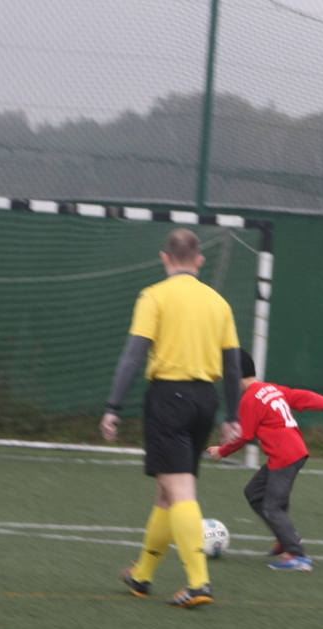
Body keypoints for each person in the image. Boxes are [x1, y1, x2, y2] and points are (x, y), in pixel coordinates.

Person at [101, 228, 243, 609]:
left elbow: (134, 356)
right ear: (199, 260)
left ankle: (199, 584)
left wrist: (113, 407)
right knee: (166, 493)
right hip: (205, 401)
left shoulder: (154, 296)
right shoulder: (219, 303)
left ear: (165, 258)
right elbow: (232, 367)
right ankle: (142, 576)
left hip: (169, 398)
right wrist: (232, 415)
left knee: (180, 491)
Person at [206, 350, 323, 572]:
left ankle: (298, 556)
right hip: (289, 452)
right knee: (254, 492)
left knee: (272, 507)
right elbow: (306, 397)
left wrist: (222, 451)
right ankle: (285, 538)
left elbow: (245, 436)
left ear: (238, 376)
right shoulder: (272, 389)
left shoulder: (249, 399)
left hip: (285, 455)